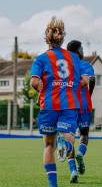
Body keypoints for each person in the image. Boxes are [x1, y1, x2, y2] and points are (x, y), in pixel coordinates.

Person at [30, 17, 88, 187]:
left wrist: (38, 85)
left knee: (49, 146)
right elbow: (84, 80)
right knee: (69, 135)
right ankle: (68, 147)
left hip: (48, 105)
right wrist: (73, 84)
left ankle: (52, 184)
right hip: (70, 105)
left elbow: (34, 82)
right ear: (63, 38)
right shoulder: (74, 58)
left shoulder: (40, 59)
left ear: (46, 38)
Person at [67, 40, 95, 177]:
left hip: (68, 105)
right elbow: (92, 80)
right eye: (82, 48)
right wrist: (89, 95)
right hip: (84, 104)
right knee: (84, 134)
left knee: (69, 137)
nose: (83, 51)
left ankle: (73, 171)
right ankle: (80, 153)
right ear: (77, 50)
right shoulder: (86, 65)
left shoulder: (64, 66)